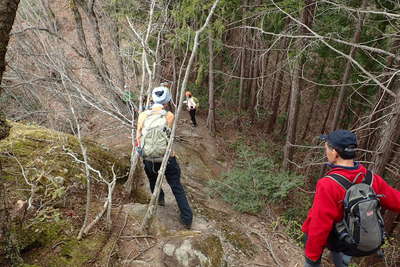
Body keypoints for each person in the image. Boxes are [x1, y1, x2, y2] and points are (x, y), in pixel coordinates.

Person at [303, 129, 400, 267]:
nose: (325, 152)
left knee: (311, 230)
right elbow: (396, 200)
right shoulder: (370, 178)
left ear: (335, 153)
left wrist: (311, 259)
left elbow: (319, 226)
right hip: (362, 242)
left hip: (344, 241)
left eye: (326, 148)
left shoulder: (328, 184)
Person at [136, 86, 193, 229]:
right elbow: (168, 136)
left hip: (149, 158)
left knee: (152, 179)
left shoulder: (143, 115)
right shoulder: (169, 116)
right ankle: (187, 219)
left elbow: (138, 137)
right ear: (167, 101)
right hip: (167, 158)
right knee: (176, 187)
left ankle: (160, 199)